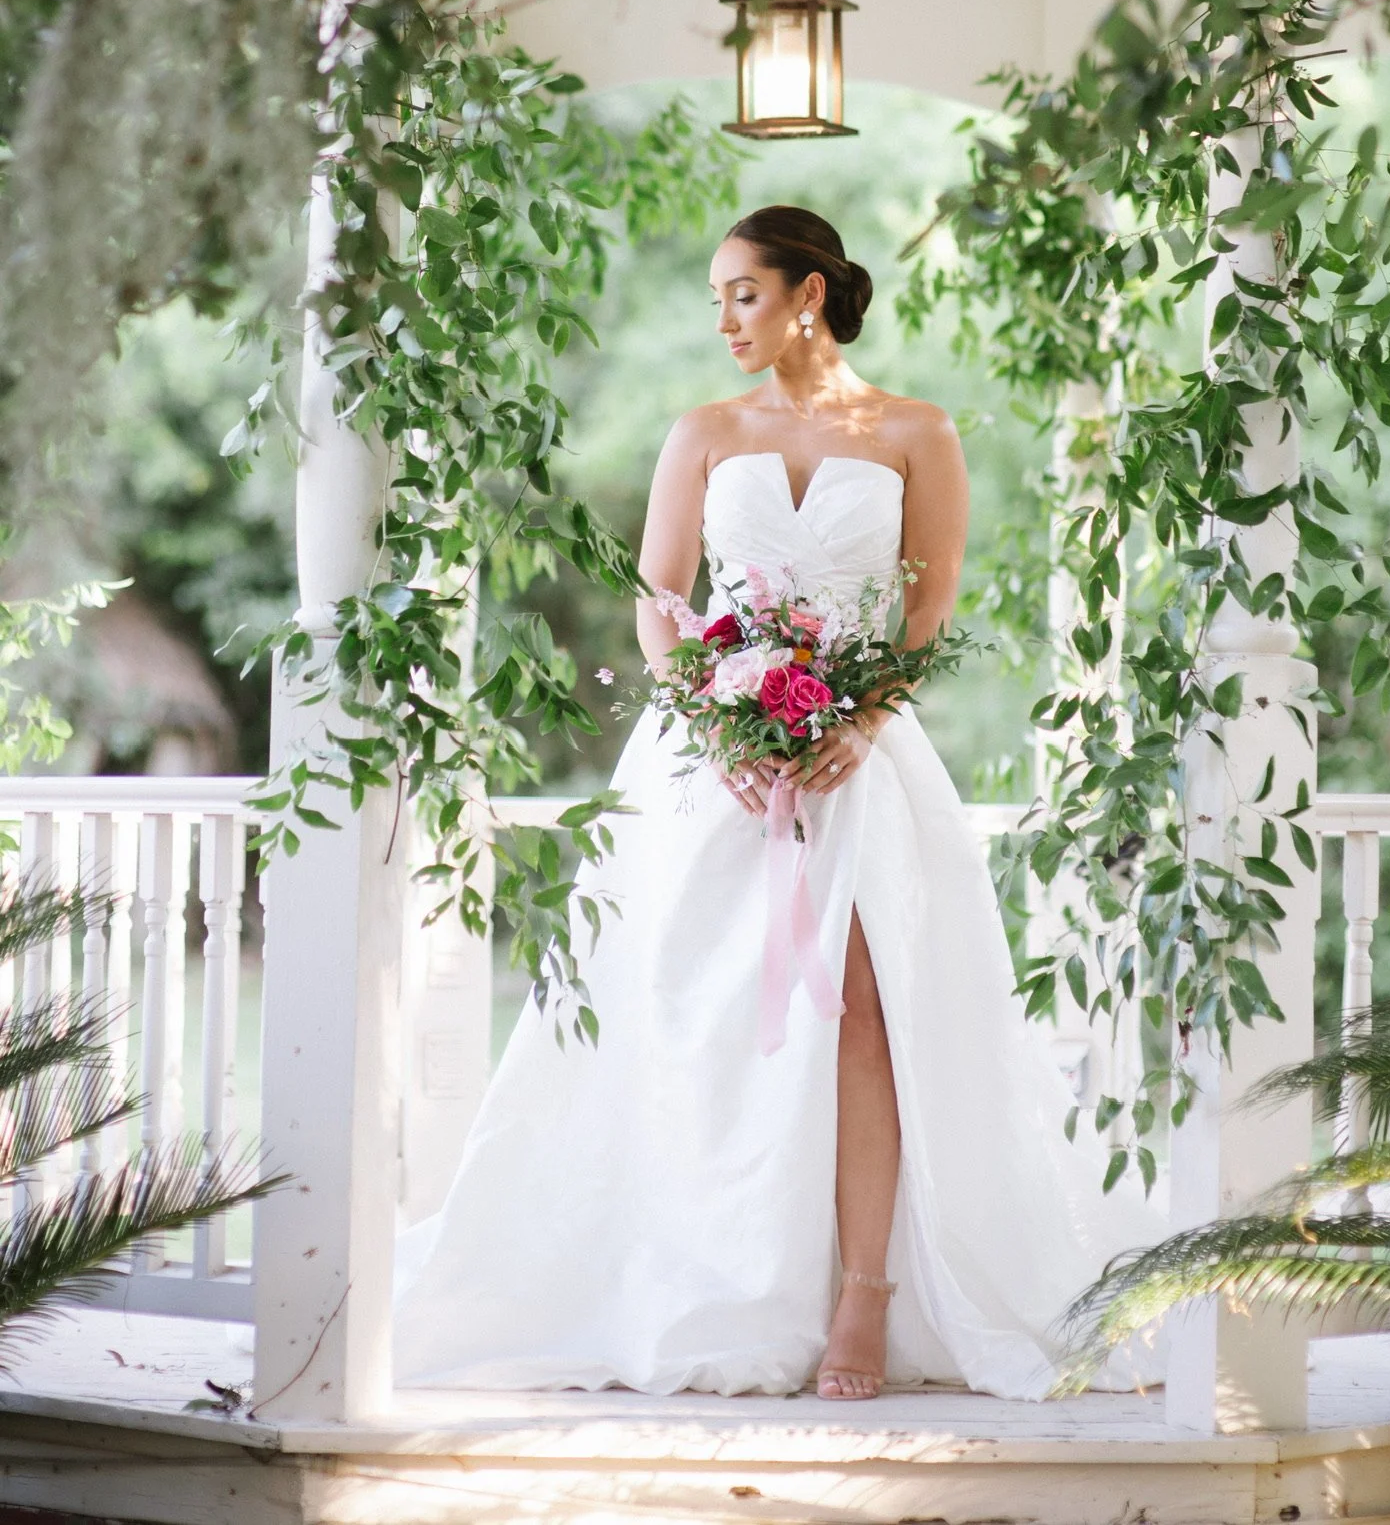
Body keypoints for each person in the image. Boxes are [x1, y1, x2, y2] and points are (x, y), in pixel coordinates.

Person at [395, 204, 1158, 1402]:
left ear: (809, 293)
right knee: (694, 1010)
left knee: (862, 1006)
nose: (723, 319)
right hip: (717, 763)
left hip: (858, 765)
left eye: (742, 293)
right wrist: (719, 716)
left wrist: (853, 718)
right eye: (714, 298)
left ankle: (866, 1297)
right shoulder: (702, 430)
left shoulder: (917, 430)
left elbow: (928, 608)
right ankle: (704, 1269)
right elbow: (659, 597)